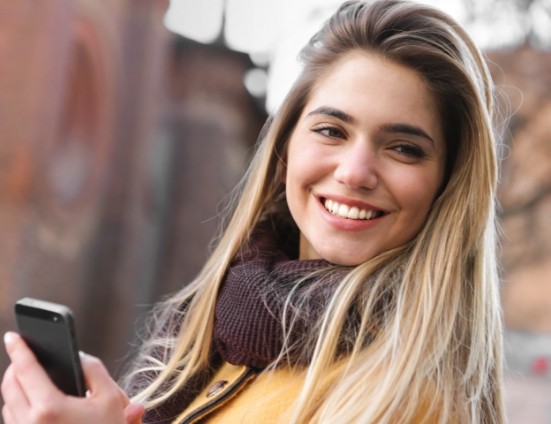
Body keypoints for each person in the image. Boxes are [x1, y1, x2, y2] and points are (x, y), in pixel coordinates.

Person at [2, 0, 506, 422]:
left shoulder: (412, 397)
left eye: (404, 148)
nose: (355, 172)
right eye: (331, 130)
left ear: (447, 185)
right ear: (285, 148)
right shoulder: (215, 326)